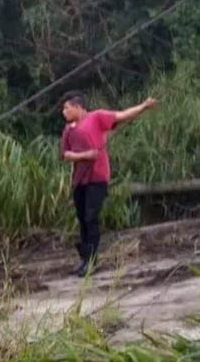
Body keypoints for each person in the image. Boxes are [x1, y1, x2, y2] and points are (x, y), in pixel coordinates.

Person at [59, 91, 159, 276]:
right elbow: (65, 155)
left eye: (67, 107)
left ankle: (91, 261)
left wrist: (144, 106)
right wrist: (85, 156)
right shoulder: (68, 129)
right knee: (82, 219)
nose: (64, 111)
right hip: (79, 180)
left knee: (91, 217)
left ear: (78, 107)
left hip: (97, 177)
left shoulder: (96, 117)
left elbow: (122, 115)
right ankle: (84, 259)